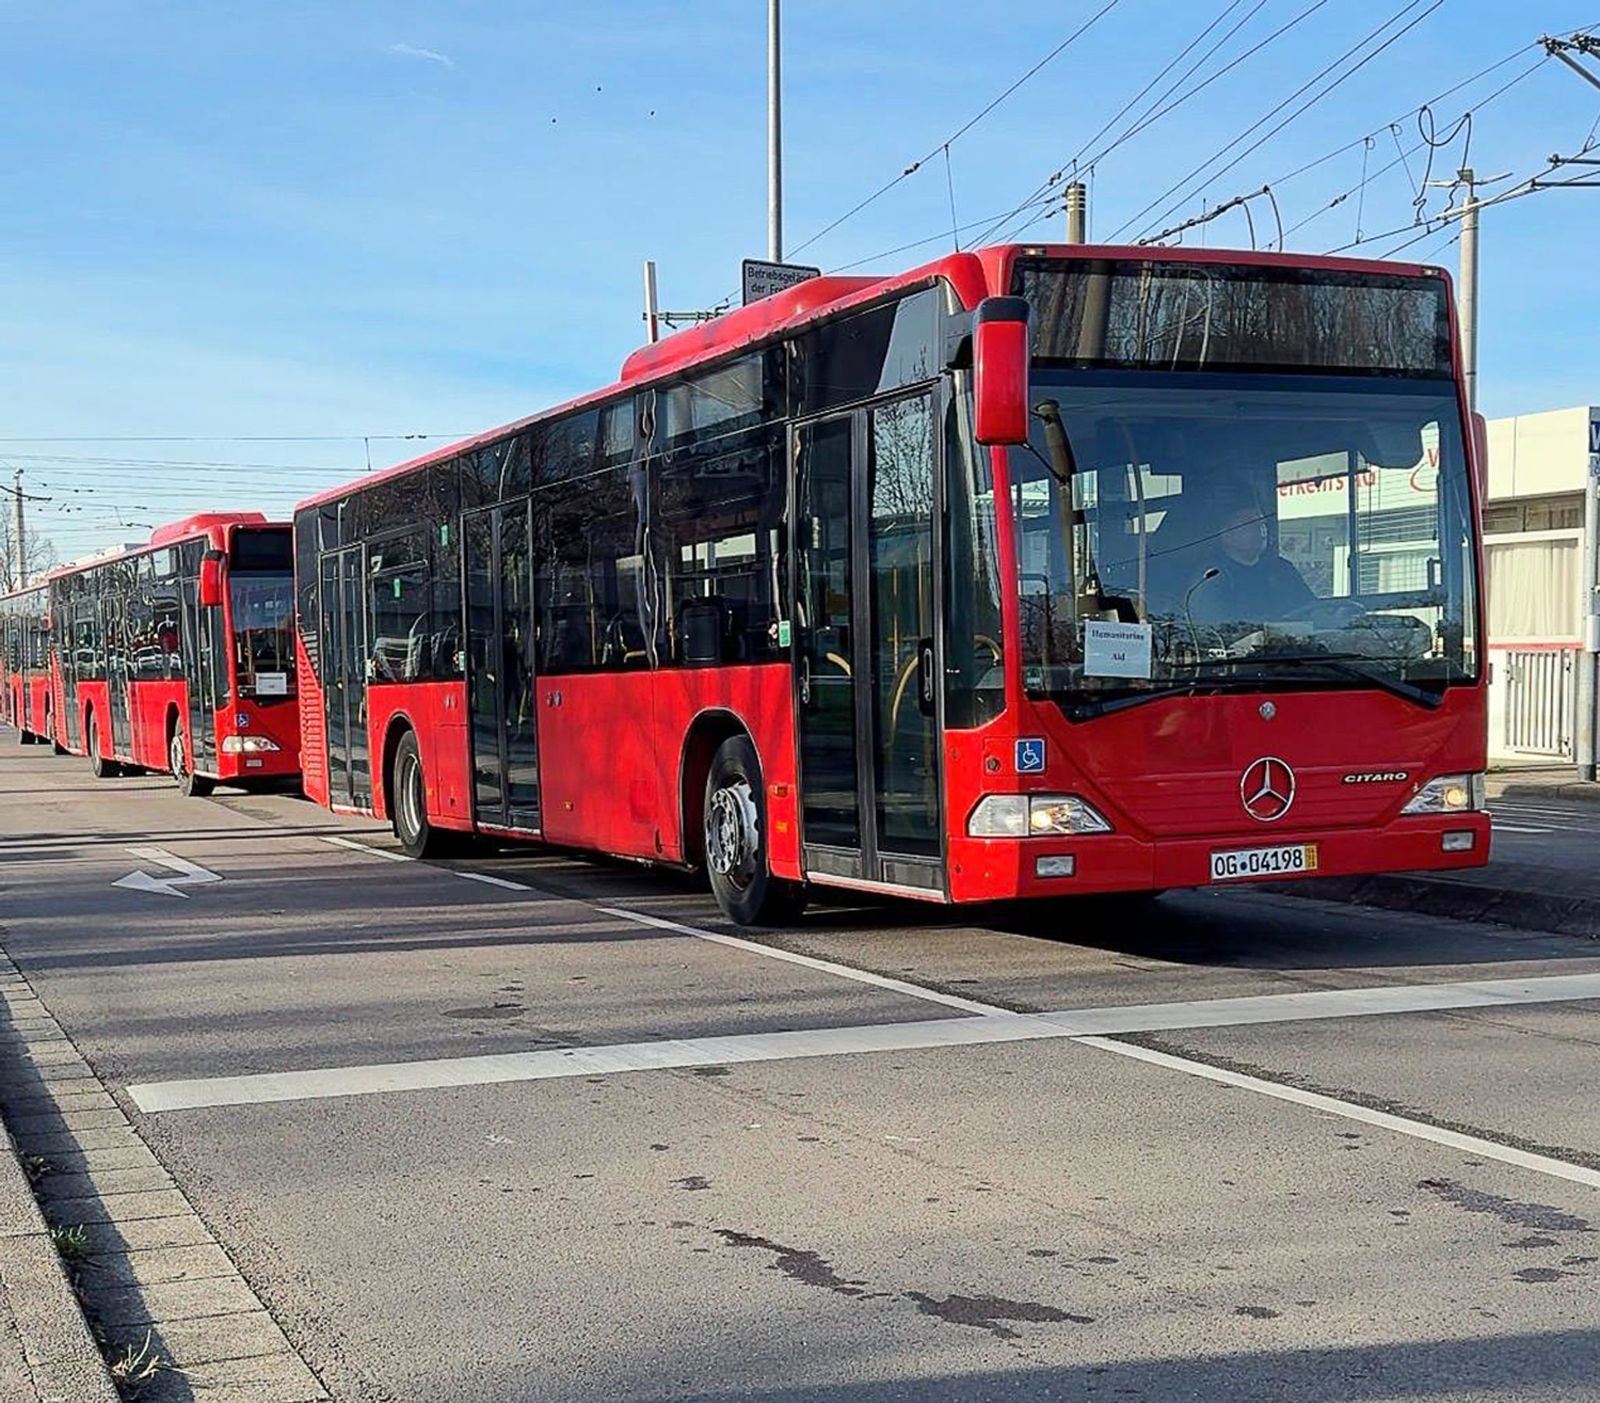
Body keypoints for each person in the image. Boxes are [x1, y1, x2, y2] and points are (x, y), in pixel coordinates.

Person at [1188, 494, 1316, 625]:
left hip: (1295, 642)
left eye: (1262, 524)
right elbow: (1214, 628)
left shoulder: (1282, 569)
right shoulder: (1211, 577)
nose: (1261, 531)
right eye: (1250, 525)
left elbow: (1311, 608)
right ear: (1227, 535)